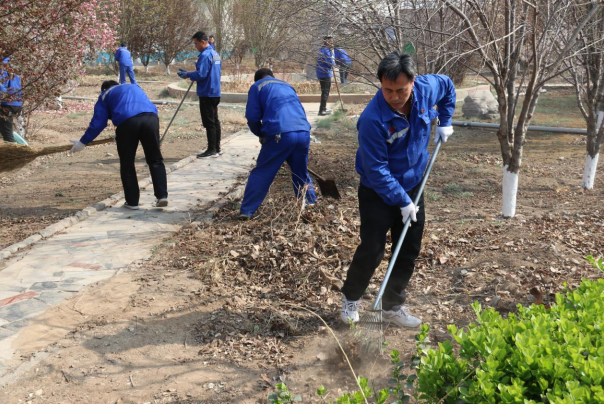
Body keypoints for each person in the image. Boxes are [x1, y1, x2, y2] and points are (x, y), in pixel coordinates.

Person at [340, 51, 455, 328]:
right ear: (380, 84)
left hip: (415, 183)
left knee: (408, 248)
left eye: (401, 90)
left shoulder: (428, 89)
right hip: (377, 192)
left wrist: (446, 120)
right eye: (388, 90)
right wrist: (402, 202)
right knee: (373, 248)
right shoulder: (372, 120)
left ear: (413, 82)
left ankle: (392, 306)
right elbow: (377, 169)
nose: (394, 96)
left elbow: (449, 86)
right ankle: (350, 299)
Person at [69, 81, 168, 209]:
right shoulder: (133, 86)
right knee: (155, 159)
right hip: (151, 118)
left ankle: (132, 202)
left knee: (127, 163)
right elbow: (140, 106)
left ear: (104, 88)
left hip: (127, 122)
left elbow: (99, 123)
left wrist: (82, 142)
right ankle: (162, 196)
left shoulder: (105, 94)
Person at [239, 68, 317, 219]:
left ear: (258, 78)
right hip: (303, 132)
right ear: (272, 76)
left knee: (263, 172)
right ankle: (310, 205)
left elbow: (252, 117)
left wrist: (260, 133)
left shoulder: (258, 86)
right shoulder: (287, 86)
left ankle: (247, 211)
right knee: (300, 171)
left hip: (279, 134)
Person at [178, 31, 223, 158]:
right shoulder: (215, 54)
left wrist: (188, 74)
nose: (195, 46)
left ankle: (211, 149)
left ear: (203, 42)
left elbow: (202, 74)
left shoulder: (205, 55)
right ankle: (217, 148)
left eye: (196, 44)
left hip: (207, 92)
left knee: (209, 122)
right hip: (215, 91)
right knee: (215, 120)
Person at [0, 57, 23, 143]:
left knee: (7, 134)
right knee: (5, 129)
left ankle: (15, 153)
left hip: (7, 103)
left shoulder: (2, 67)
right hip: (17, 102)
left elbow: (3, 88)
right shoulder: (12, 65)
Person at [315, 36, 335, 116]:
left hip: (321, 73)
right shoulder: (326, 51)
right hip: (325, 73)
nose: (333, 44)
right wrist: (333, 63)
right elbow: (330, 62)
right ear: (327, 42)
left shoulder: (322, 50)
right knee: (325, 92)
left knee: (324, 92)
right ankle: (322, 110)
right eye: (331, 42)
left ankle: (323, 109)